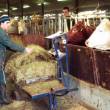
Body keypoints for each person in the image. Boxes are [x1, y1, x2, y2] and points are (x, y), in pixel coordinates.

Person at [0, 15, 32, 105]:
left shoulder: (3, 32)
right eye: (7, 23)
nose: (8, 25)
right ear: (2, 23)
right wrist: (24, 49)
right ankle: (3, 99)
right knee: (1, 77)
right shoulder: (1, 33)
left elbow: (7, 45)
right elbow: (9, 43)